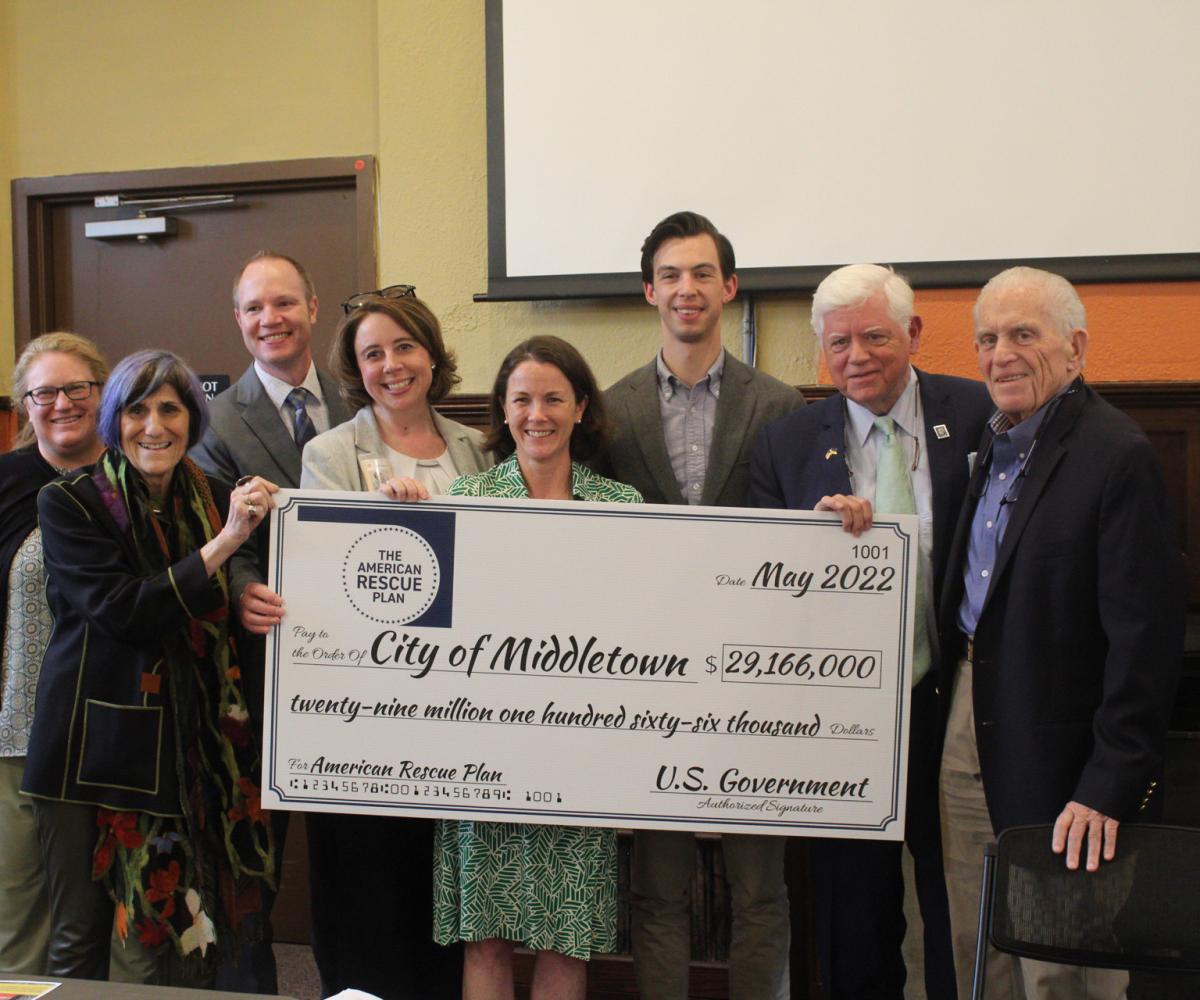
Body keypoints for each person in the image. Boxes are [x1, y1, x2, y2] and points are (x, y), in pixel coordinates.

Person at [938, 266, 1185, 1000]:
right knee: (981, 948)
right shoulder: (989, 444)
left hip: (1064, 762)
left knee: (1061, 968)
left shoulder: (1117, 456)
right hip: (966, 729)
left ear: (1075, 348)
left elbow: (1145, 646)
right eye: (986, 338)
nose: (1000, 354)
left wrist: (1107, 786)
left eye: (1023, 334)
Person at [749, 264, 991, 1000]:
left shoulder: (981, 413)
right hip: (842, 717)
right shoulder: (785, 444)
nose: (856, 356)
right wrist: (813, 549)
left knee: (957, 902)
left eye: (876, 337)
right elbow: (761, 584)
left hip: (953, 701)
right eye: (839, 342)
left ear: (913, 334)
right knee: (855, 915)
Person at [21, 349, 278, 984]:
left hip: (189, 750)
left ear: (193, 419)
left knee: (180, 934)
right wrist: (224, 545)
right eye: (137, 410)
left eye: (170, 408)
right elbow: (123, 612)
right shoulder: (70, 502)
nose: (154, 426)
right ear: (114, 420)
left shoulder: (216, 497)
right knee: (78, 937)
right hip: (88, 751)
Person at [604, 210, 804, 1000]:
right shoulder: (608, 410)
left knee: (761, 887)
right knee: (658, 886)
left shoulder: (782, 406)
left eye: (701, 274)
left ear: (729, 286)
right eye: (671, 275)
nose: (686, 290)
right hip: (648, 681)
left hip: (752, 680)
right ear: (649, 290)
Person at [433, 335, 640, 1000]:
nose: (537, 413)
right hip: (482, 749)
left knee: (565, 937)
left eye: (554, 398)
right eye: (521, 398)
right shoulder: (465, 497)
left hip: (581, 753)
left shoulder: (624, 508)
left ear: (581, 407)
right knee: (486, 937)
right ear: (502, 408)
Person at [296, 290, 489, 999]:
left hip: (462, 706)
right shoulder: (330, 453)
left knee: (440, 894)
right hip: (368, 717)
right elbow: (322, 574)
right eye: (372, 353)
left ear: (432, 355)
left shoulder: (479, 447)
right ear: (355, 369)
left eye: (403, 347)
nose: (391, 365)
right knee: (372, 891)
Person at [189, 250, 352, 993]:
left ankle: (351, 983)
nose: (271, 319)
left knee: (354, 847)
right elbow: (218, 526)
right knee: (255, 852)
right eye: (255, 308)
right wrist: (248, 587)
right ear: (238, 320)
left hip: (361, 662)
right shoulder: (213, 419)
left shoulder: (362, 396)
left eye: (284, 303)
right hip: (266, 659)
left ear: (313, 309)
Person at [0, 333, 109, 974]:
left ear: (102, 394)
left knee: (112, 922)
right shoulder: (8, 481)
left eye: (78, 389)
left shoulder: (134, 476)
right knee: (18, 919)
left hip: (107, 736)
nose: (62, 403)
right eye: (45, 393)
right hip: (15, 732)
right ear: (25, 406)